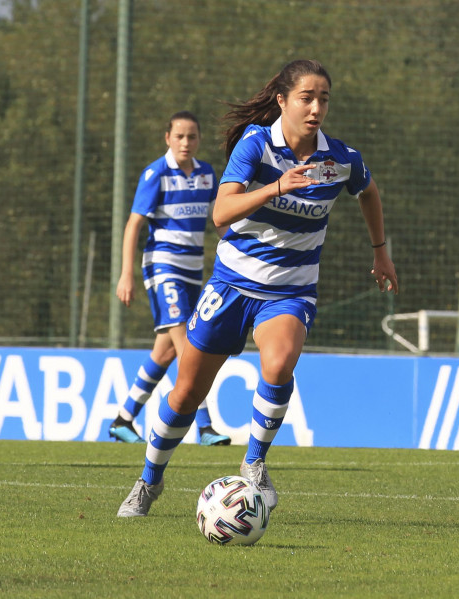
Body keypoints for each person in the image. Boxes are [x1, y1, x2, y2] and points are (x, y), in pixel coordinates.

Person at [117, 59, 398, 517]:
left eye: (323, 99)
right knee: (186, 394)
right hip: (230, 283)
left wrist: (380, 251)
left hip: (291, 289)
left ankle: (254, 463)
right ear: (283, 101)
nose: (316, 108)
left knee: (281, 360)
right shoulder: (255, 146)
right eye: (306, 98)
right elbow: (222, 214)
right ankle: (148, 483)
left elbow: (368, 191)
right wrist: (275, 187)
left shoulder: (340, 159)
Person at [107, 111, 231, 447]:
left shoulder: (207, 174)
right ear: (167, 138)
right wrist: (126, 274)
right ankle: (204, 427)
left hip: (193, 271)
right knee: (191, 345)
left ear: (199, 139)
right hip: (162, 268)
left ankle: (123, 419)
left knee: (165, 353)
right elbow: (134, 225)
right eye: (179, 136)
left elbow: (219, 219)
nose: (186, 143)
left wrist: (237, 242)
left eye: (192, 137)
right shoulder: (156, 173)